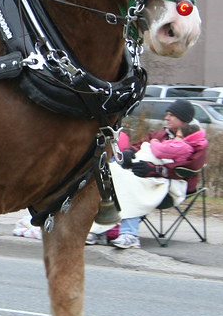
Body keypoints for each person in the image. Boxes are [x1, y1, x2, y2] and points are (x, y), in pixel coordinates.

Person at [86, 99, 208, 248]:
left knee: (132, 183)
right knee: (113, 176)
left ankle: (129, 234)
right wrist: (129, 152)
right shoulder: (162, 134)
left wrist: (157, 170)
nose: (166, 118)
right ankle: (101, 230)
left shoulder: (194, 140)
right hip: (148, 179)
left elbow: (192, 166)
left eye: (171, 115)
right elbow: (142, 144)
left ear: (183, 119)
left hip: (174, 186)